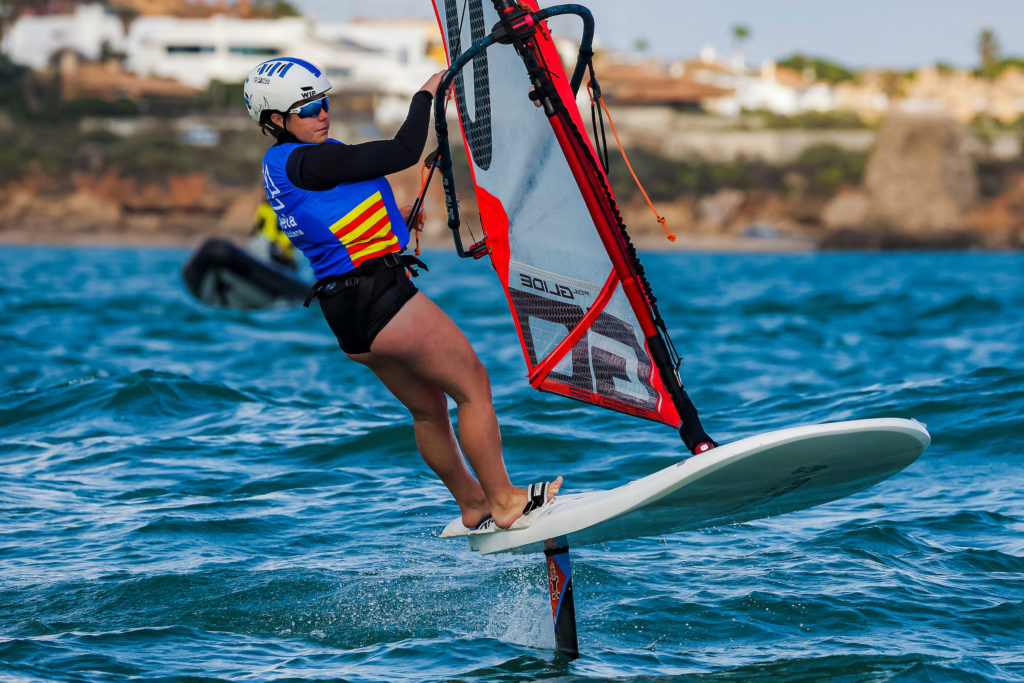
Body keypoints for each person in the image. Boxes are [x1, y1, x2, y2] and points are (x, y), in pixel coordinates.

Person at [243, 57, 561, 530]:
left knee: (428, 410)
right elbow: (403, 151)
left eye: (324, 103)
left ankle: (473, 504)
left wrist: (399, 216)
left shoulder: (287, 165)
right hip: (380, 297)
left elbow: (329, 217)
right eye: (308, 109)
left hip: (346, 313)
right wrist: (426, 94)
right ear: (276, 119)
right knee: (473, 387)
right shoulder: (308, 159)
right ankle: (505, 501)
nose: (323, 114)